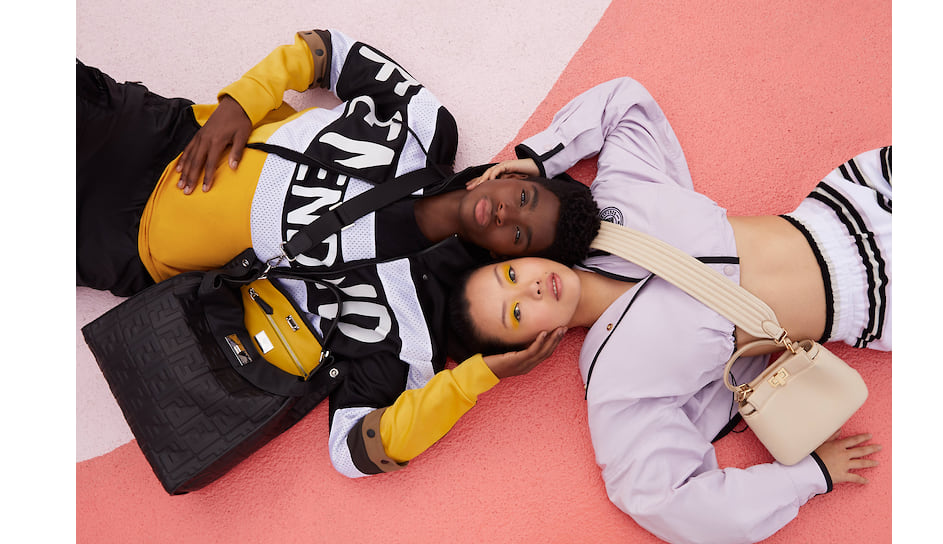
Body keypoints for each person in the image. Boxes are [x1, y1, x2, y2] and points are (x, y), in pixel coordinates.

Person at [77, 28, 600, 479]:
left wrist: (476, 378)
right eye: (524, 198)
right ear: (512, 175)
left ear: (502, 256)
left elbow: (353, 450)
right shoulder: (426, 127)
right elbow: (326, 51)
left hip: (126, 248)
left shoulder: (408, 327)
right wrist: (242, 102)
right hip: (159, 137)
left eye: (520, 236)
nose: (508, 214)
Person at [446, 78, 890, 544]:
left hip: (859, 200)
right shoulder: (616, 380)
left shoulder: (610, 208)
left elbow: (623, 103)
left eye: (510, 275)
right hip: (879, 301)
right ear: (529, 347)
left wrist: (541, 157)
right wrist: (807, 479)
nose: (530, 288)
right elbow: (659, 499)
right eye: (516, 314)